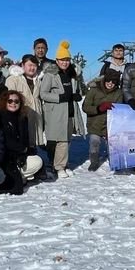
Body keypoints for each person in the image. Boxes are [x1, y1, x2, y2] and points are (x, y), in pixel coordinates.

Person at [40, 40, 86, 178]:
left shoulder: (72, 74)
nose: (65, 62)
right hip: (56, 111)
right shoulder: (50, 74)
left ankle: (61, 164)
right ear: (57, 60)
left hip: (70, 110)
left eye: (67, 60)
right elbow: (43, 94)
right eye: (62, 60)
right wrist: (59, 97)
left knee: (67, 139)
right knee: (60, 140)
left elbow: (76, 90)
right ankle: (59, 167)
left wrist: (77, 95)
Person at [0, 90, 43, 194]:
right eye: (10, 101)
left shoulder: (22, 118)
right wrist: (23, 149)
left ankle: (19, 176)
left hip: (18, 155)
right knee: (17, 188)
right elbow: (4, 140)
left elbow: (25, 139)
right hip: (3, 157)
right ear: (4, 102)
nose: (13, 103)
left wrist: (23, 153)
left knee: (37, 161)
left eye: (16, 101)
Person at [82, 69, 123, 171]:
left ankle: (114, 160)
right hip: (95, 124)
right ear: (105, 80)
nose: (110, 83)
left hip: (110, 125)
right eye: (108, 81)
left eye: (113, 82)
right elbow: (85, 107)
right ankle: (94, 161)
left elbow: (120, 109)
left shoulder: (118, 93)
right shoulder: (94, 90)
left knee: (112, 144)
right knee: (94, 142)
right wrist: (98, 108)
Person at [5, 55, 44, 151]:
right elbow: (8, 99)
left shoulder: (38, 80)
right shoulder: (13, 79)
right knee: (22, 140)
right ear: (22, 65)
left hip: (36, 115)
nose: (32, 68)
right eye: (29, 65)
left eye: (34, 65)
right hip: (21, 116)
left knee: (33, 142)